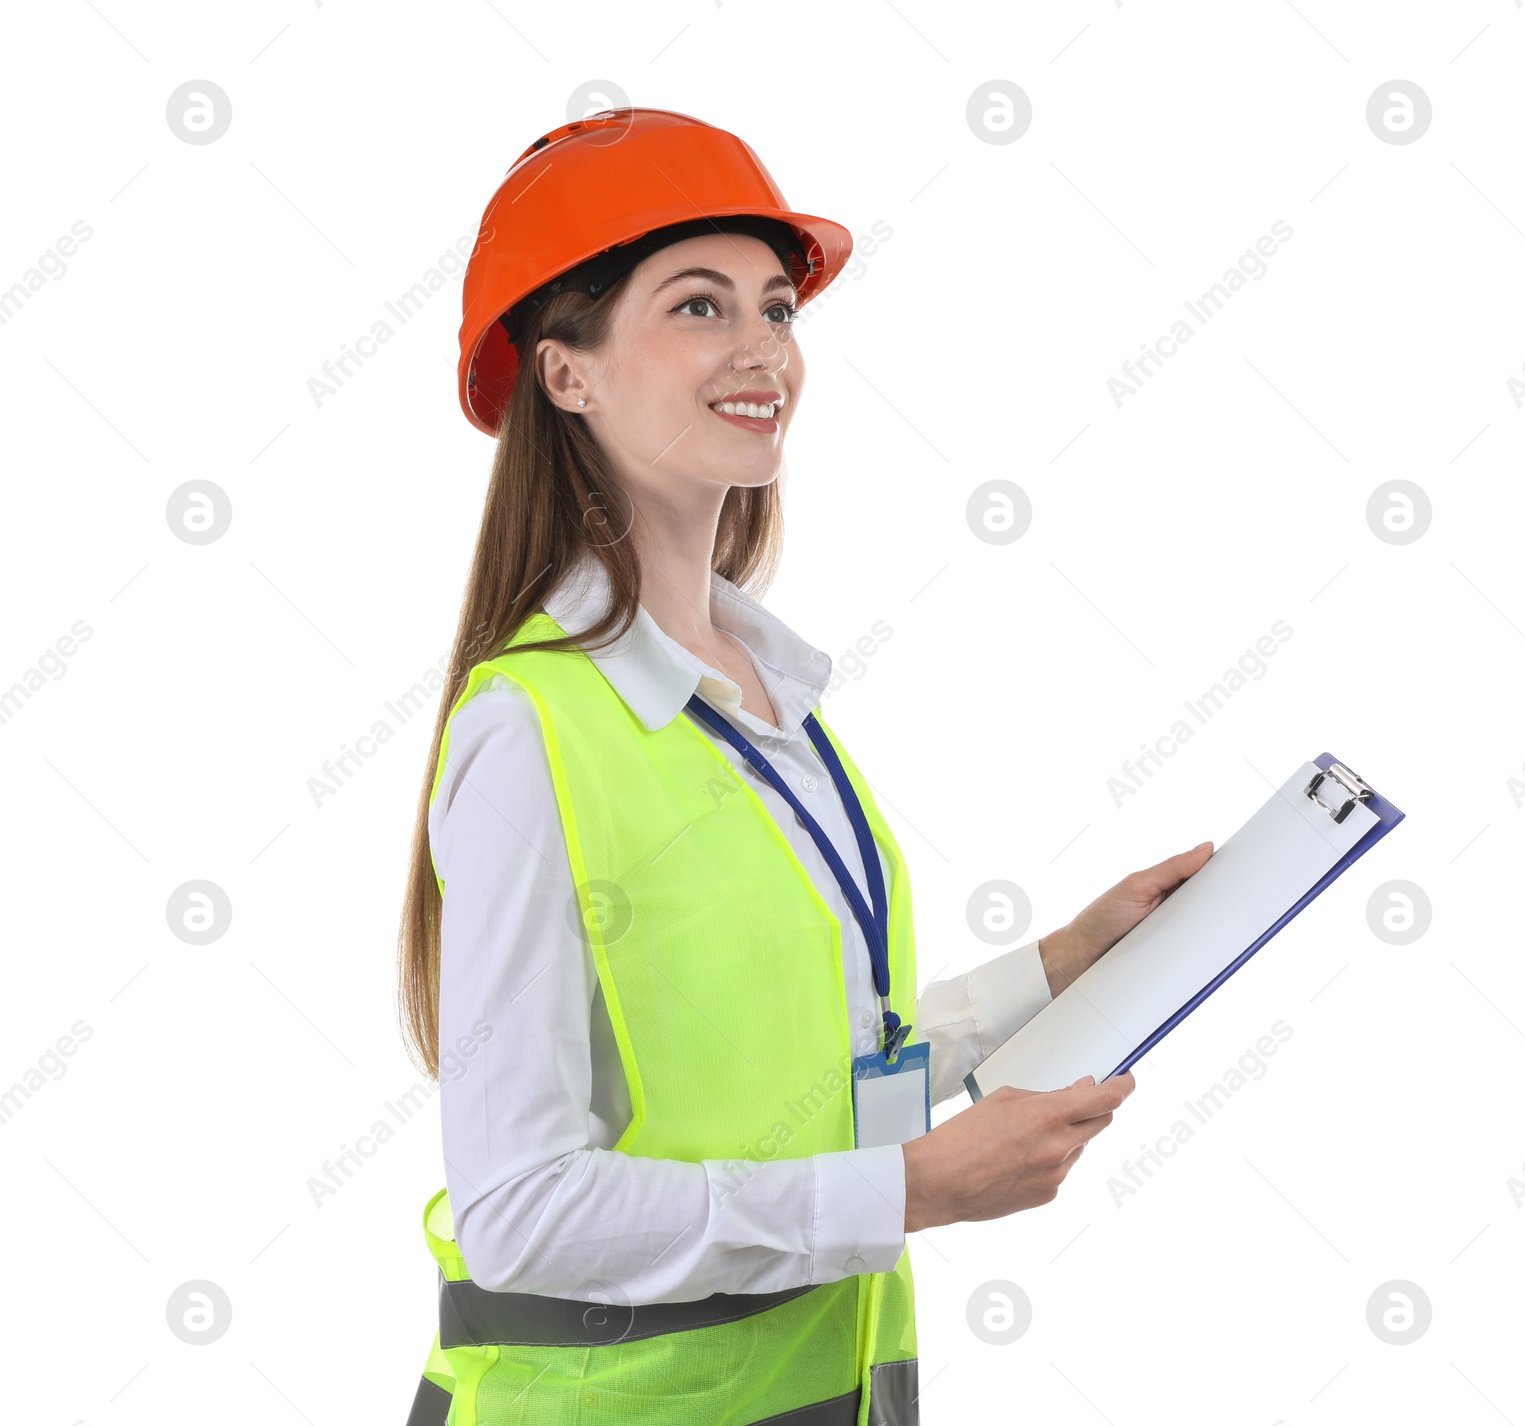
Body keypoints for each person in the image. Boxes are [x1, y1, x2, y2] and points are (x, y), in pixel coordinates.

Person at [395, 107, 1213, 1426]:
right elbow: (517, 1210)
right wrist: (914, 1189)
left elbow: (820, 1065)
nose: (763, 350)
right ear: (568, 374)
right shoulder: (528, 734)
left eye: (777, 309)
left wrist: (1059, 962)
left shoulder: (775, 695)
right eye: (699, 307)